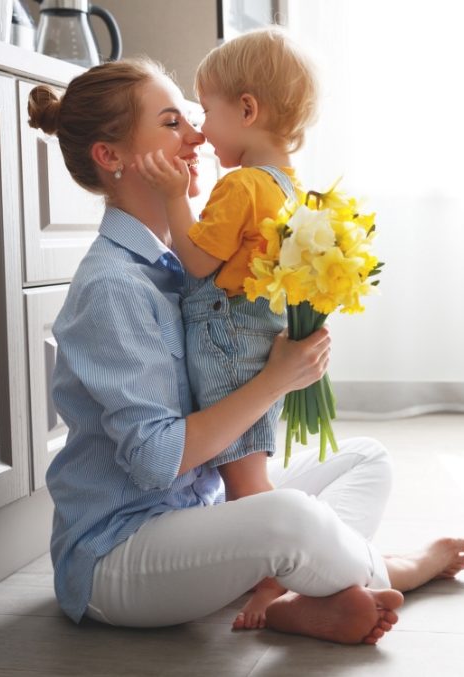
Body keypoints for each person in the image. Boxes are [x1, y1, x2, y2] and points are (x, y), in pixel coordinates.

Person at [28, 57, 464, 645]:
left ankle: (298, 595)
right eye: (172, 124)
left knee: (365, 458)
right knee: (288, 519)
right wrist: (275, 379)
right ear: (111, 157)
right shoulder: (113, 285)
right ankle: (397, 567)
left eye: (192, 120)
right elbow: (155, 460)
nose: (196, 137)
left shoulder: (185, 265)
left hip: (200, 518)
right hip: (119, 555)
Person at [134, 25, 323, 630]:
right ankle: (291, 576)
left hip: (227, 344)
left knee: (246, 483)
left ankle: (284, 583)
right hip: (262, 341)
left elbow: (195, 260)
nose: (201, 131)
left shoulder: (241, 184)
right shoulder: (297, 190)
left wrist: (172, 197)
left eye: (206, 112)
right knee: (251, 469)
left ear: (247, 109)